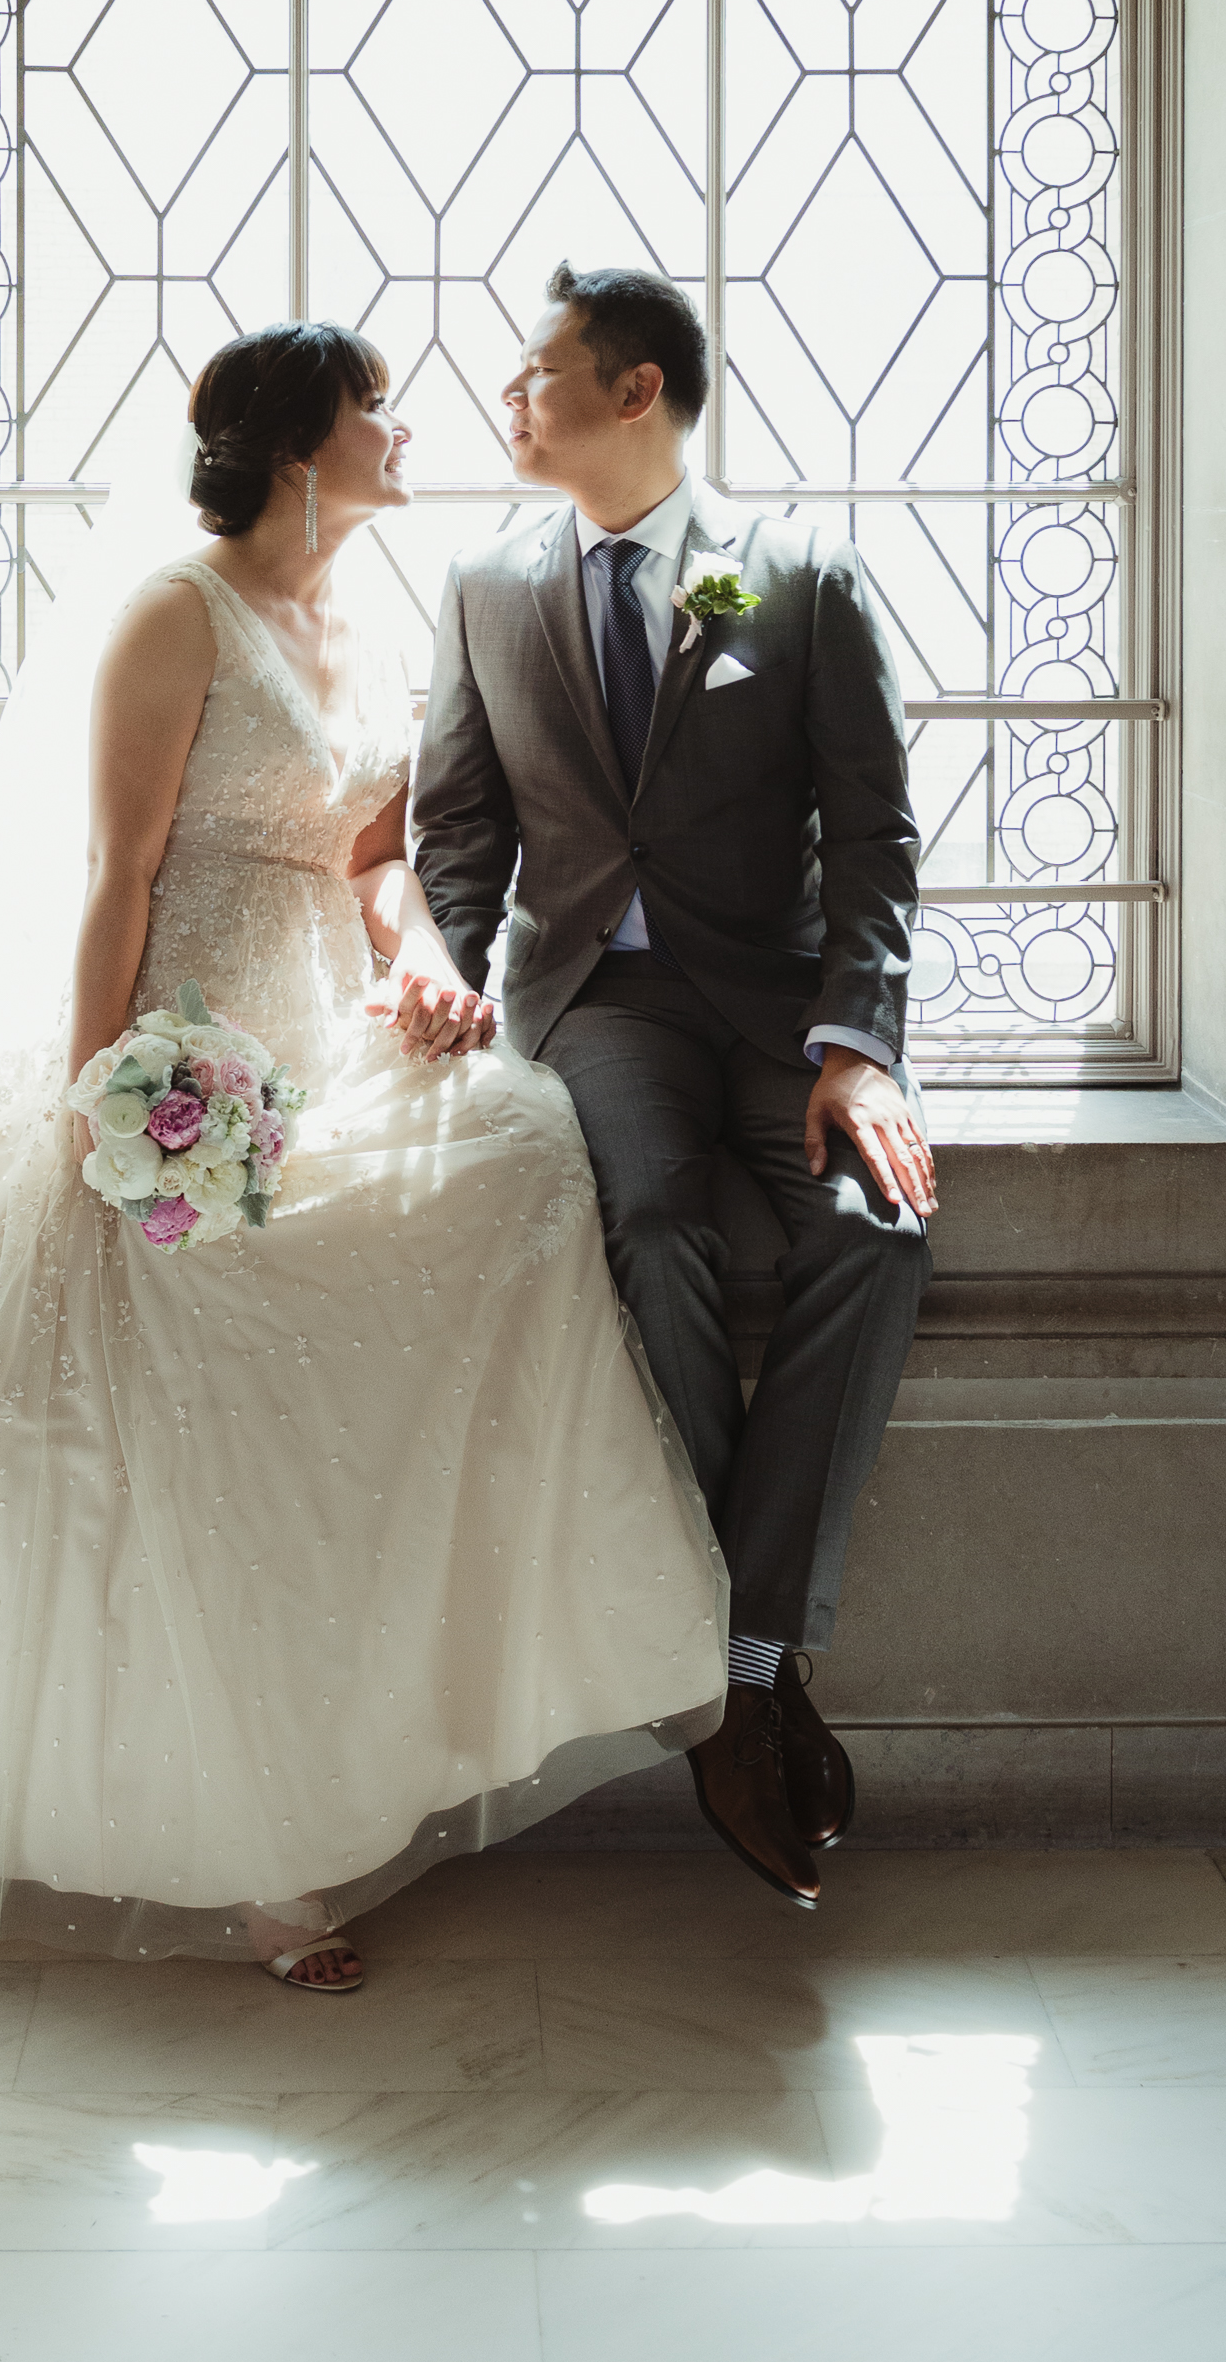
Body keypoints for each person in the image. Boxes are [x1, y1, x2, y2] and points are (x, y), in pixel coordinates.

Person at [0, 323, 725, 1991]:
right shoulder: (172, 614)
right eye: (374, 407)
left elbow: (370, 859)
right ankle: (265, 1864)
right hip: (183, 1049)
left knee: (527, 1148)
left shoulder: (360, 619)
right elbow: (115, 875)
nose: (403, 427)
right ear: (292, 445)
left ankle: (433, 1708)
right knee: (215, 1414)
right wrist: (98, 1103)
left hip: (325, 1032)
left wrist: (419, 959)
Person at [411, 263, 934, 1909]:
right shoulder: (488, 583)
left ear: (636, 392)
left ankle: (741, 1647)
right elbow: (458, 829)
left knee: (880, 1225)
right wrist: (445, 967)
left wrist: (856, 1043)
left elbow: (874, 833)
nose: (509, 396)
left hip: (784, 1005)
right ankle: (749, 1657)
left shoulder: (797, 571)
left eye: (537, 371)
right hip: (600, 1000)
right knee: (646, 1220)